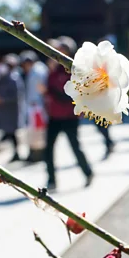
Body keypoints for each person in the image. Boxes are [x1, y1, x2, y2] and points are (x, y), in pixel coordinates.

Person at [43, 37, 93, 190]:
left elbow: (72, 94)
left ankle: (88, 172)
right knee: (48, 149)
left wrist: (52, 93)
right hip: (54, 116)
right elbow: (48, 89)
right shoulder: (53, 70)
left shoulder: (75, 70)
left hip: (70, 116)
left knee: (75, 146)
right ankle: (51, 179)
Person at [0, 55, 26, 162]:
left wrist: (3, 100)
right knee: (10, 133)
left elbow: (16, 96)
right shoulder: (4, 77)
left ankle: (17, 153)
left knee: (13, 133)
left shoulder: (15, 78)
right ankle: (15, 153)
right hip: (6, 111)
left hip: (12, 111)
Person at [20, 50, 48, 162]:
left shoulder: (38, 71)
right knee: (34, 132)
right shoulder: (35, 70)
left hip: (37, 106)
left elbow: (42, 88)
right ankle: (35, 154)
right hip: (34, 105)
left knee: (38, 132)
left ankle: (38, 155)